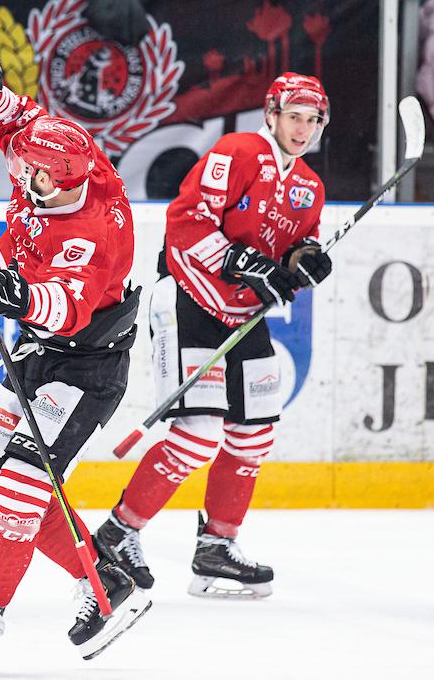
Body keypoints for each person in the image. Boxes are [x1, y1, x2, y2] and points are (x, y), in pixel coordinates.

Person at [0, 53, 148, 674]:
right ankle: (104, 580)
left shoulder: (90, 232)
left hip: (83, 367)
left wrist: (10, 292)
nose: (22, 176)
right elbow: (18, 123)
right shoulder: (66, 158)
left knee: (20, 496)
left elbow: (69, 306)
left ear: (65, 182)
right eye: (25, 168)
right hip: (36, 353)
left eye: (35, 175)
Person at [93, 73, 333, 600]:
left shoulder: (309, 186)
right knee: (198, 433)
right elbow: (187, 221)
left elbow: (295, 249)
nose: (303, 127)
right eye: (294, 115)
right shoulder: (238, 151)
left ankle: (216, 548)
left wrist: (303, 264)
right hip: (189, 299)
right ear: (271, 114)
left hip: (244, 317)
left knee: (254, 435)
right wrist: (242, 261)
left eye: (312, 118)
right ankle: (117, 535)